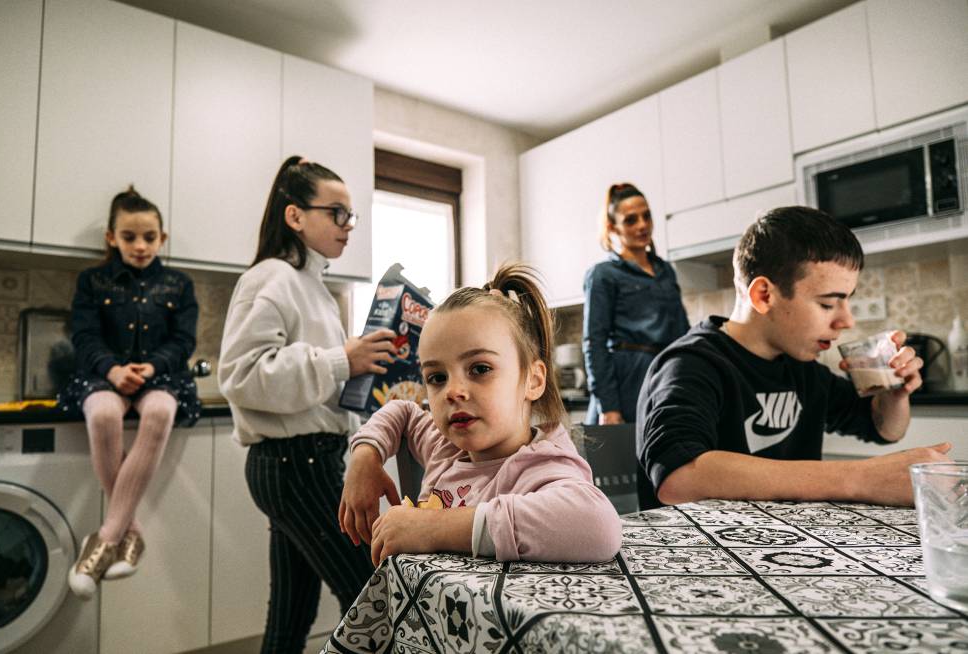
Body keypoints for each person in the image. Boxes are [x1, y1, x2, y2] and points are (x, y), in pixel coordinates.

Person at [637, 206, 952, 510]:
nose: (847, 321)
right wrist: (861, 478)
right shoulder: (690, 365)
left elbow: (884, 430)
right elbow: (678, 478)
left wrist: (893, 394)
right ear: (764, 295)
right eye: (828, 304)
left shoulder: (802, 369)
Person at [218, 156, 396, 654]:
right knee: (373, 595)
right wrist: (343, 359)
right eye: (336, 213)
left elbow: (320, 378)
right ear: (295, 216)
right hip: (296, 462)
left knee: (293, 612)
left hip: (305, 459)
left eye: (351, 216)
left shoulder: (313, 286)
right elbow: (241, 376)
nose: (348, 226)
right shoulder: (270, 278)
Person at [339, 264, 622, 565]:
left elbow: (599, 526)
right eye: (437, 377)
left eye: (480, 369)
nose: (453, 391)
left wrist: (430, 528)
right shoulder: (446, 449)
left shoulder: (540, 467)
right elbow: (402, 410)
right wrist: (365, 458)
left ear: (534, 380)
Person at [61, 186, 201, 599]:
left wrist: (154, 365)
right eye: (129, 237)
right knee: (103, 414)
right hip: (105, 372)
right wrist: (113, 369)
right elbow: (83, 335)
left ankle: (104, 538)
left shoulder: (179, 284)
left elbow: (184, 340)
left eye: (149, 237)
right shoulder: (92, 280)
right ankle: (131, 533)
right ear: (111, 238)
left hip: (161, 374)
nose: (140, 246)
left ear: (163, 238)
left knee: (159, 411)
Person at [582, 183, 689, 425]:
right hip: (625, 383)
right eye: (630, 220)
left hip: (666, 379)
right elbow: (594, 343)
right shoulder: (602, 275)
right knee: (619, 461)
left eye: (646, 216)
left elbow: (683, 335)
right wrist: (608, 406)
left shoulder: (666, 272)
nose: (642, 225)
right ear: (613, 228)